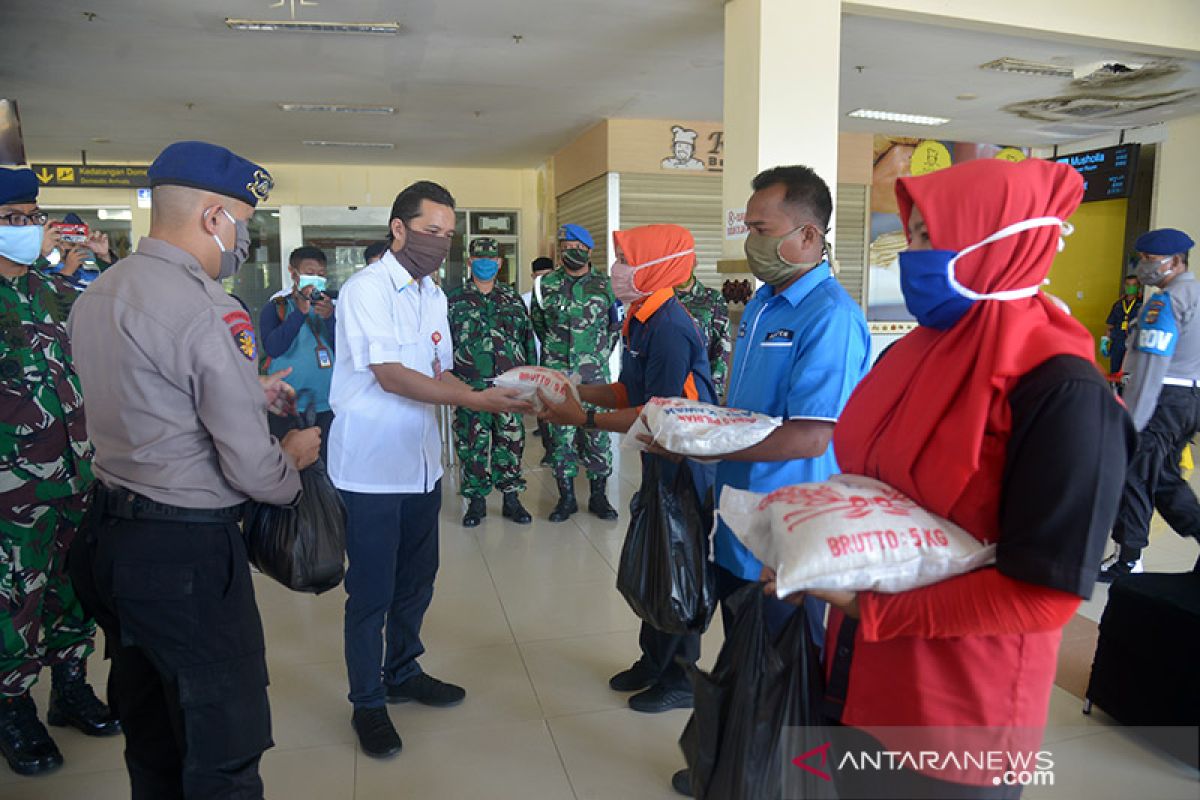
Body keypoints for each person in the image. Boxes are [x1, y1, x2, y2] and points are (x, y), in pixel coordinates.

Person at [772, 158, 1132, 799]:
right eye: (910, 237)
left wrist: (866, 607)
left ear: (1001, 242)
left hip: (956, 717)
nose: (912, 256)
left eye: (930, 238)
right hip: (856, 670)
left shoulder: (1061, 389)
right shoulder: (917, 352)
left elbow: (1044, 596)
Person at [66, 141, 323, 798]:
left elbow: (148, 392)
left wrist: (248, 390)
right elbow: (249, 467)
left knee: (153, 735)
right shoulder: (209, 307)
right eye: (243, 221)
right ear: (213, 216)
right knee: (222, 748)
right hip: (184, 556)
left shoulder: (101, 291)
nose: (243, 239)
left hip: (111, 542)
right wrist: (290, 463)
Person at [664, 165, 869, 796]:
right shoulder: (762, 302)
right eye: (748, 226)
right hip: (739, 520)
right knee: (743, 660)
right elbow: (745, 408)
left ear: (808, 237)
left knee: (784, 672)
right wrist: (697, 429)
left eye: (761, 228)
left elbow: (812, 434)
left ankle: (775, 782)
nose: (750, 240)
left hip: (788, 531)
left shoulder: (829, 317)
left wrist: (708, 444)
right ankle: (734, 769)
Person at [328, 181, 530, 759]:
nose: (440, 243)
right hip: (370, 469)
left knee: (417, 579)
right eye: (429, 231)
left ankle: (403, 671)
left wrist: (495, 393)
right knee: (370, 591)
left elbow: (439, 375)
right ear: (398, 228)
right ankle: (367, 702)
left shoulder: (432, 294)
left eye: (447, 234)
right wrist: (476, 403)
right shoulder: (367, 290)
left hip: (420, 464)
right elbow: (390, 375)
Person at [540, 223, 715, 713]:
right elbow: (629, 391)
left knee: (680, 566)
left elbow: (659, 414)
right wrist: (570, 388)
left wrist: (585, 418)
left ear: (654, 267)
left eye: (625, 258)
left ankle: (680, 678)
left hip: (686, 462)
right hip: (659, 456)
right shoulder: (640, 317)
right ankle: (653, 661)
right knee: (658, 558)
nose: (616, 269)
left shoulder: (672, 327)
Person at [0, 168, 119, 778]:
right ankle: (11, 707)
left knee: (73, 592)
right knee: (14, 601)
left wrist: (105, 254)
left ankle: (70, 689)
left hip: (75, 477)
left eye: (29, 216)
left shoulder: (51, 290)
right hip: (11, 491)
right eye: (10, 218)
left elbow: (121, 305)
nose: (24, 228)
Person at [1100, 228, 1199, 581]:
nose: (1142, 267)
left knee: (1133, 475)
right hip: (1186, 400)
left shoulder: (1166, 301)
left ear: (1173, 262)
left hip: (1160, 400)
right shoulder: (1196, 293)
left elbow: (1152, 368)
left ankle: (1128, 560)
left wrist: (1132, 422)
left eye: (1147, 260)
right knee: (1163, 478)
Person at [530, 224, 622, 522]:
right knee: (560, 437)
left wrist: (596, 356)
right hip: (557, 376)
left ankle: (599, 496)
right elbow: (540, 326)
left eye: (576, 248)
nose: (570, 253)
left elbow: (614, 327)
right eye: (565, 248)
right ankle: (566, 498)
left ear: (589, 250)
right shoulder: (544, 286)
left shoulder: (607, 286)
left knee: (598, 436)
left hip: (595, 376)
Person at [447, 237, 536, 527]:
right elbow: (443, 346)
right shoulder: (454, 300)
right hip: (470, 388)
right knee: (472, 444)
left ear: (499, 262)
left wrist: (531, 382)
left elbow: (526, 341)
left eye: (492, 258)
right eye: (479, 258)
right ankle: (476, 502)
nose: (485, 263)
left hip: (509, 387)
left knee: (510, 442)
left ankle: (511, 499)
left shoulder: (513, 300)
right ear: (470, 261)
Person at [260, 245, 337, 462]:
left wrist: (330, 318)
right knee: (289, 465)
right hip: (286, 405)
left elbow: (344, 350)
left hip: (326, 403)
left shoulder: (329, 307)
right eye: (310, 273)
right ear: (293, 274)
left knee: (325, 468)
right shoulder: (276, 307)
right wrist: (299, 314)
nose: (317, 279)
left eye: (321, 275)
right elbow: (274, 348)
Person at [674, 273, 731, 401]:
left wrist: (714, 391)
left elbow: (722, 346)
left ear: (693, 261)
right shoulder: (662, 298)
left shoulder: (713, 299)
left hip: (701, 388)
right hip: (667, 386)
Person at [522, 256, 555, 465]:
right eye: (540, 276)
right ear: (533, 276)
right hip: (537, 358)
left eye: (548, 276)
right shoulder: (525, 299)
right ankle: (549, 449)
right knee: (543, 405)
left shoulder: (562, 296)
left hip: (559, 360)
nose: (543, 280)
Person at [1101, 273, 1142, 374]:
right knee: (1115, 370)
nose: (1130, 287)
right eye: (1128, 284)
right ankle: (1114, 389)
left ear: (1138, 286)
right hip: (1118, 341)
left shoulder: (1142, 303)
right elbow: (1110, 325)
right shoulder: (1118, 304)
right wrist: (1105, 341)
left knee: (1130, 371)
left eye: (1133, 285)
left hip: (1134, 342)